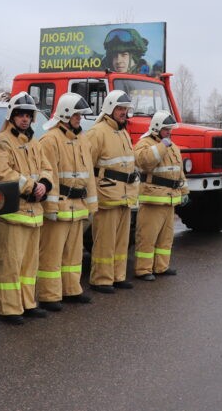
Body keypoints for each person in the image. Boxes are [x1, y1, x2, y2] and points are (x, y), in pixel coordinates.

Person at [0, 92, 55, 324]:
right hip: (12, 215)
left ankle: (27, 304)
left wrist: (45, 185)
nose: (25, 119)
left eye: (28, 115)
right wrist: (31, 186)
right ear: (12, 116)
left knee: (28, 265)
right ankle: (9, 310)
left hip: (33, 214)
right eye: (20, 115)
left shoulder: (34, 143)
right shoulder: (2, 142)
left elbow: (47, 168)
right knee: (10, 265)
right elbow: (1, 173)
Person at [36, 93, 98, 310]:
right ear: (65, 114)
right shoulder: (50, 140)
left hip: (77, 207)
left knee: (73, 252)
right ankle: (49, 295)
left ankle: (71, 290)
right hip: (59, 205)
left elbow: (88, 173)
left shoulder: (82, 139)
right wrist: (50, 208)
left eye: (81, 114)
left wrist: (92, 204)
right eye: (76, 114)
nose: (80, 118)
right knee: (52, 253)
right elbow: (49, 176)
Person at [85, 90, 139, 293]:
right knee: (105, 241)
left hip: (125, 196)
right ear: (109, 108)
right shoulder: (97, 132)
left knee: (121, 241)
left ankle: (118, 276)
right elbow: (87, 166)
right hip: (107, 195)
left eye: (125, 109)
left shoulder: (123, 132)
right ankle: (101, 279)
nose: (124, 112)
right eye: (120, 108)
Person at [133, 111, 188, 281]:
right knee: (148, 237)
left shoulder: (173, 147)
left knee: (166, 237)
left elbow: (179, 172)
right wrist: (162, 145)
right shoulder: (144, 143)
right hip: (153, 199)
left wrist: (185, 192)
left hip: (169, 200)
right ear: (156, 128)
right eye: (166, 129)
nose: (169, 133)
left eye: (170, 130)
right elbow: (145, 161)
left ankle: (161, 267)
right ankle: (143, 269)